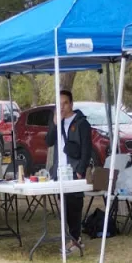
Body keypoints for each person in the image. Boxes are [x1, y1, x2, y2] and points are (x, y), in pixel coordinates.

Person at [45, 90, 93, 254]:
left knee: (75, 205)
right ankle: (71, 237)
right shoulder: (57, 121)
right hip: (60, 170)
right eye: (59, 104)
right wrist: (55, 123)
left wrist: (81, 170)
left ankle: (76, 239)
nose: (62, 107)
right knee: (64, 205)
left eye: (65, 103)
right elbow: (49, 141)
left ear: (71, 104)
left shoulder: (81, 123)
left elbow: (87, 149)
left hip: (74, 170)